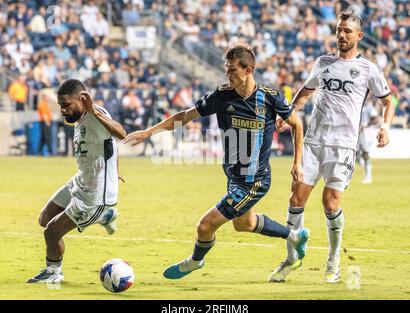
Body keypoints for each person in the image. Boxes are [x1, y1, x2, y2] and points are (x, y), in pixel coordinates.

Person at [124, 44, 309, 280]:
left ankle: (195, 261)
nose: (227, 74)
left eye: (232, 70)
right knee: (245, 223)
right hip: (234, 177)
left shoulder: (270, 98)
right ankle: (295, 235)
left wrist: (297, 163)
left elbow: (296, 123)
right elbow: (185, 116)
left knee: (205, 226)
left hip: (255, 181)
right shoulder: (222, 96)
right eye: (226, 69)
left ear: (248, 70)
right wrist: (149, 132)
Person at [271, 10, 395, 283]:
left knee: (330, 203)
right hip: (313, 142)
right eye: (339, 29)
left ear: (359, 36)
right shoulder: (323, 62)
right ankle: (292, 258)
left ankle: (333, 258)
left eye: (347, 31)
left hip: (344, 146)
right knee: (295, 200)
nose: (341, 34)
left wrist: (384, 127)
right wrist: (288, 115)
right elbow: (305, 92)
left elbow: (388, 101)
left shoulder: (369, 69)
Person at [27, 79, 126, 284]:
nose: (62, 110)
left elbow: (120, 134)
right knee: (44, 218)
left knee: (51, 232)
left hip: (95, 196)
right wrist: (115, 169)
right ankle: (106, 217)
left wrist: (95, 112)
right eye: (60, 105)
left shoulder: (95, 114)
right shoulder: (78, 117)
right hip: (80, 180)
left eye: (66, 104)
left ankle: (53, 273)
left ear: (82, 99)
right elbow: (109, 145)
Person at [358, 101, 380, 184]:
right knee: (354, 153)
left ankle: (368, 176)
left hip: (365, 133)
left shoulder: (368, 106)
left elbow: (376, 119)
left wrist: (366, 125)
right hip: (353, 132)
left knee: (365, 153)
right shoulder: (356, 103)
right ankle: (364, 165)